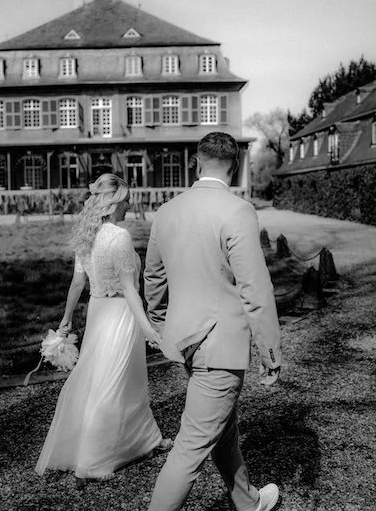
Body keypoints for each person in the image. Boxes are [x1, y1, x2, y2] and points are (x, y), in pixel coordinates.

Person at [144, 132, 283, 511]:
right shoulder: (237, 211)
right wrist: (269, 350)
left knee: (222, 429)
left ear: (196, 161)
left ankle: (249, 501)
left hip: (185, 342)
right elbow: (255, 287)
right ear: (234, 167)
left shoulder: (167, 211)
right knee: (190, 448)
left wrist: (160, 324)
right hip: (220, 347)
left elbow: (153, 277)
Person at [35, 173, 172, 486]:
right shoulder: (118, 237)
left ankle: (145, 439)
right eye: (125, 201)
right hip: (121, 316)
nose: (128, 207)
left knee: (120, 378)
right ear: (112, 203)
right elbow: (130, 289)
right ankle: (95, 459)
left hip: (97, 312)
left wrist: (67, 319)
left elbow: (78, 282)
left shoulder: (88, 235)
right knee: (113, 382)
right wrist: (147, 327)